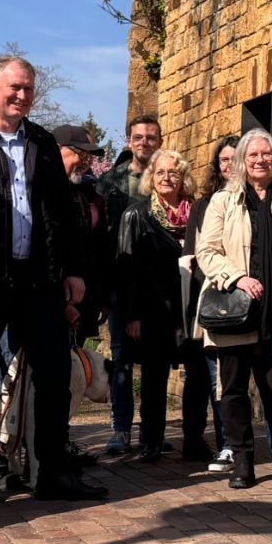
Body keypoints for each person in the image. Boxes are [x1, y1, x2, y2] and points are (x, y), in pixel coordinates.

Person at [0, 56, 106, 503]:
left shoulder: (43, 144)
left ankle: (51, 471)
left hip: (40, 280)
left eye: (29, 89)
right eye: (14, 87)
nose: (22, 96)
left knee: (53, 376)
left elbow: (60, 212)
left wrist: (72, 271)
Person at [196, 129, 272, 491]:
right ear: (242, 161)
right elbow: (207, 252)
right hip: (234, 310)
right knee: (232, 390)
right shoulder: (222, 202)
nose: (261, 160)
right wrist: (237, 277)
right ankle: (243, 462)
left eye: (267, 154)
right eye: (253, 155)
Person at [115, 149, 212, 463]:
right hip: (154, 310)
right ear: (150, 178)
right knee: (155, 378)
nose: (167, 177)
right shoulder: (136, 215)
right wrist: (131, 315)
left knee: (197, 376)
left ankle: (194, 440)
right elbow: (126, 272)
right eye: (160, 172)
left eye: (173, 171)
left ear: (183, 176)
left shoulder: (199, 213)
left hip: (193, 309)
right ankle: (151, 441)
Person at [98, 115, 163, 455]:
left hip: (158, 285)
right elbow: (100, 236)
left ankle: (153, 430)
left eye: (151, 137)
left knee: (157, 359)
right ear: (129, 141)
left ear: (160, 141)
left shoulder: (168, 178)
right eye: (138, 137)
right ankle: (121, 428)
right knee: (121, 357)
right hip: (120, 280)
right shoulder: (111, 182)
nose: (145, 143)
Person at [182, 135, 245, 473]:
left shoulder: (258, 197)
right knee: (217, 378)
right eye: (223, 160)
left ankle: (256, 446)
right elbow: (194, 258)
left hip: (253, 298)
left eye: (235, 159)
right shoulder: (204, 205)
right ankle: (226, 445)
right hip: (217, 300)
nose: (229, 166)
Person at [51, 124, 109, 345]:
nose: (85, 161)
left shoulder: (90, 195)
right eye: (79, 153)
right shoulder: (38, 192)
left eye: (89, 156)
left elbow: (100, 248)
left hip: (85, 300)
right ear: (57, 149)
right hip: (52, 300)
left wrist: (101, 298)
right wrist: (62, 300)